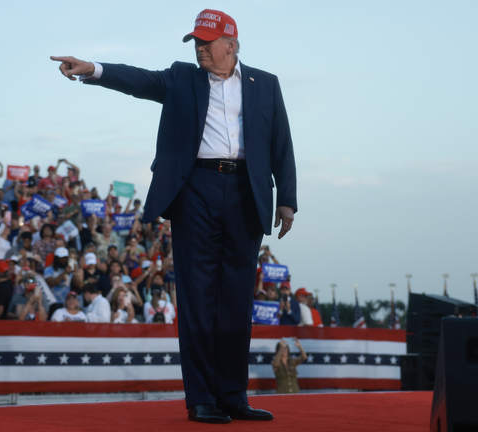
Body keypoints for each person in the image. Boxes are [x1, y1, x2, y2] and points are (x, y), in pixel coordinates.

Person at [52, 7, 296, 423]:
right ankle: (201, 398)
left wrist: (287, 199)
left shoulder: (266, 84)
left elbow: (281, 145)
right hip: (195, 190)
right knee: (199, 296)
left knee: (236, 299)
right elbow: (139, 81)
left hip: (245, 194)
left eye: (207, 42)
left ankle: (233, 395)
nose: (200, 48)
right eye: (196, 42)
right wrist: (91, 68)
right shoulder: (183, 77)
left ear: (231, 44)